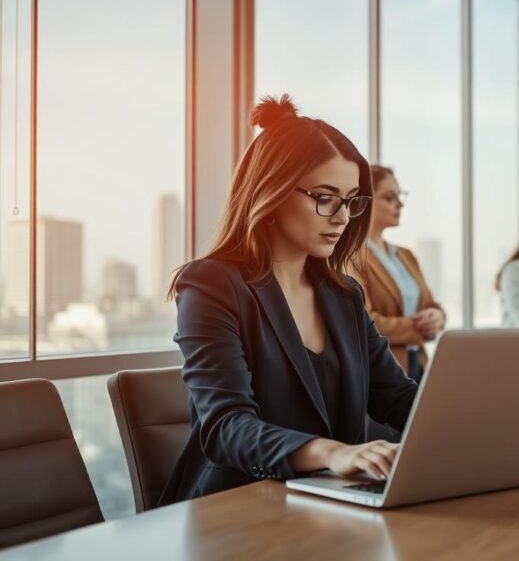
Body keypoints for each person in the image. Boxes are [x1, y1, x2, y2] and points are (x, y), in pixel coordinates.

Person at [161, 95, 418, 505]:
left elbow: (397, 397)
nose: (342, 217)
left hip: (330, 505)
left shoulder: (344, 296)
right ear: (273, 191)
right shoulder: (211, 286)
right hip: (235, 509)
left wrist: (480, 426)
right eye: (325, 197)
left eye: (351, 201)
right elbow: (226, 426)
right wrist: (332, 452)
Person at [349, 165, 445, 383]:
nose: (400, 204)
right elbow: (365, 321)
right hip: (382, 372)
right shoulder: (352, 257)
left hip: (419, 365)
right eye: (389, 197)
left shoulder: (405, 255)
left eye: (400, 196)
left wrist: (438, 318)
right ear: (365, 200)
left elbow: (431, 305)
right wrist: (419, 330)